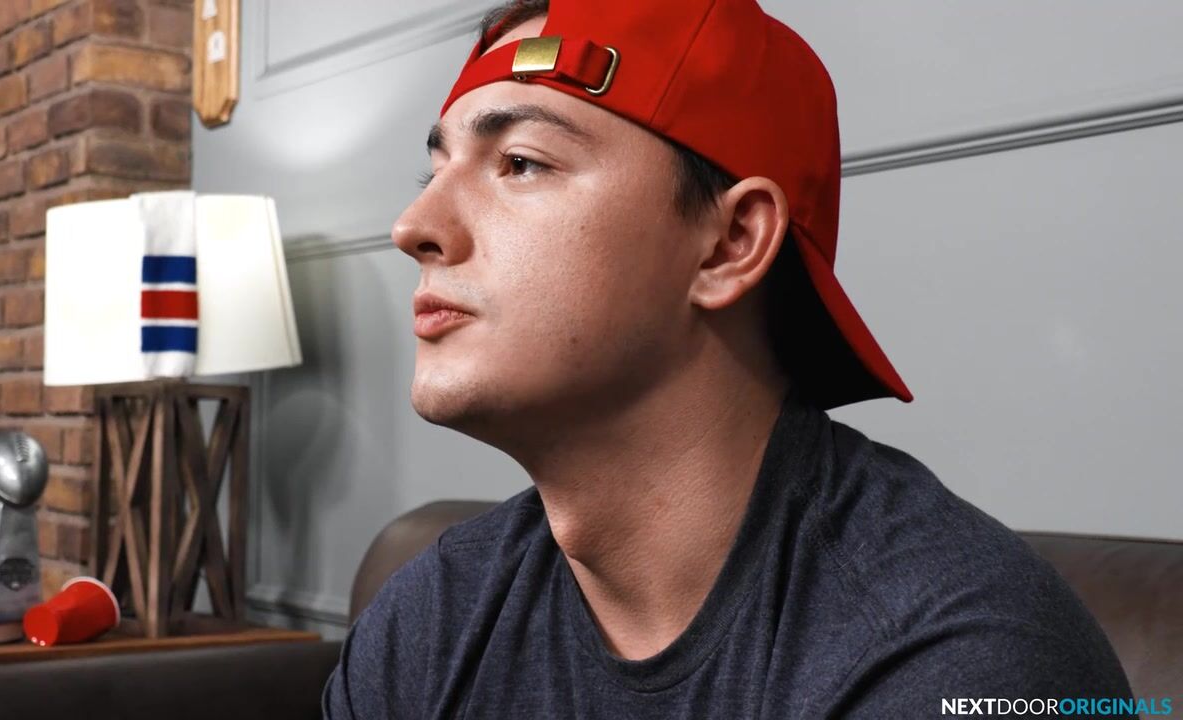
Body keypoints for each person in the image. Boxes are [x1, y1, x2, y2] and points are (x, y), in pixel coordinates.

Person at [323, 0, 1135, 716]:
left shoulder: (958, 658)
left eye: (522, 163)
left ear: (731, 243)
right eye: (434, 170)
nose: (413, 226)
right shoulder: (433, 619)